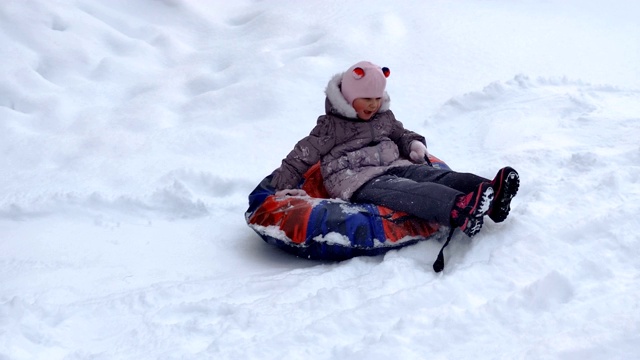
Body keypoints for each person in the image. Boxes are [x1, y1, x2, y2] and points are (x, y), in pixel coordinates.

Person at [271, 61, 519, 247]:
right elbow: (301, 155)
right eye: (366, 98)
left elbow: (400, 134)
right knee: (408, 191)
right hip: (357, 179)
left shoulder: (383, 117)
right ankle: (457, 208)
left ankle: (490, 192)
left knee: (432, 176)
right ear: (348, 97)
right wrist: (282, 186)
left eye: (377, 98)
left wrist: (412, 143)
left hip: (393, 164)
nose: (373, 104)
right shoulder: (331, 127)